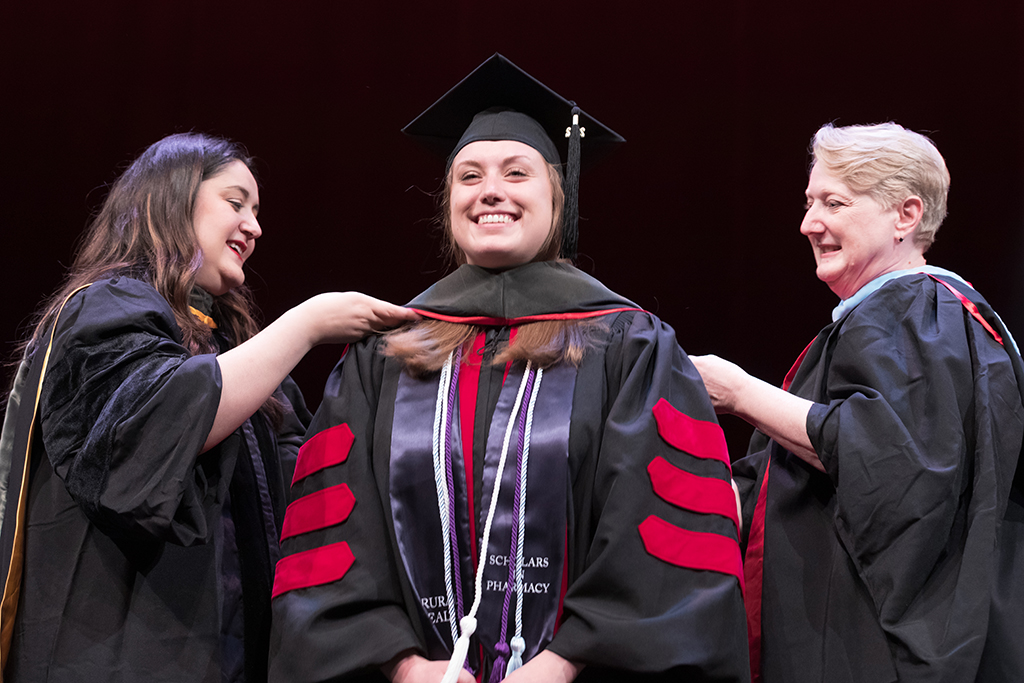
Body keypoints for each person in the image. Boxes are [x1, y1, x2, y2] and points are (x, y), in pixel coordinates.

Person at [270, 54, 750, 683]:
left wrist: (561, 664)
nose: (490, 190)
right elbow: (331, 535)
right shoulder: (383, 355)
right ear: (449, 205)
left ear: (559, 195)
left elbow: (665, 539)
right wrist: (406, 667)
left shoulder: (630, 347)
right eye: (469, 176)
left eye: (516, 172)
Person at [0, 132, 417, 683]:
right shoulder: (104, 310)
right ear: (171, 199)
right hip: (114, 657)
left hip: (228, 658)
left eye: (257, 211)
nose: (254, 226)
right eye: (235, 202)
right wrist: (308, 322)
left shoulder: (239, 360)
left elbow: (313, 488)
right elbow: (150, 432)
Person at [691, 122, 1024, 683]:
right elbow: (801, 478)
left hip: (873, 647)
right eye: (808, 202)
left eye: (834, 202)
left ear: (906, 215)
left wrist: (739, 392)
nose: (808, 223)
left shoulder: (915, 309)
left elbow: (883, 458)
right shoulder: (920, 316)